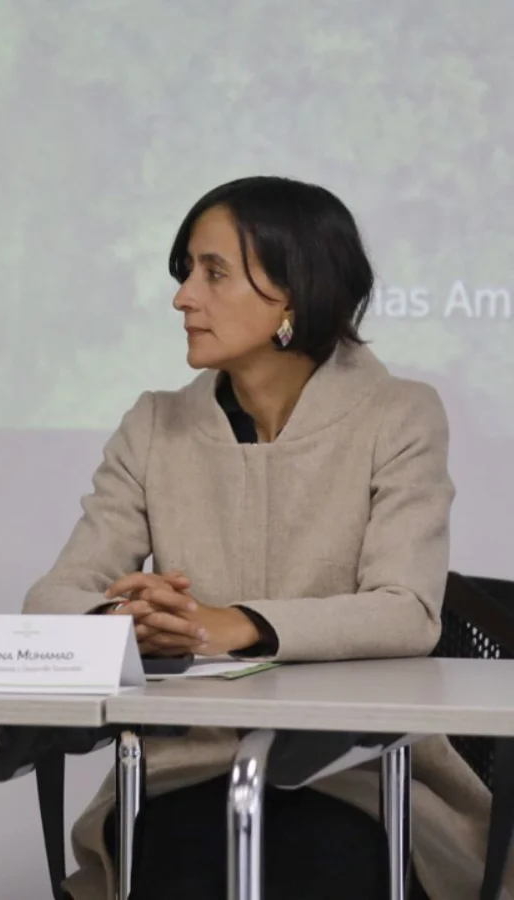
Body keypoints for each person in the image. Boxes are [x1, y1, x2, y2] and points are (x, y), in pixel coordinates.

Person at [25, 176, 503, 900]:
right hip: (184, 774)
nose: (184, 296)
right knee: (186, 858)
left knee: (314, 861)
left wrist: (233, 625)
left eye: (213, 273)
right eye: (186, 271)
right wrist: (123, 625)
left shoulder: (399, 415)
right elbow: (51, 599)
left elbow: (407, 608)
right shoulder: (155, 424)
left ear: (294, 295)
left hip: (358, 779)